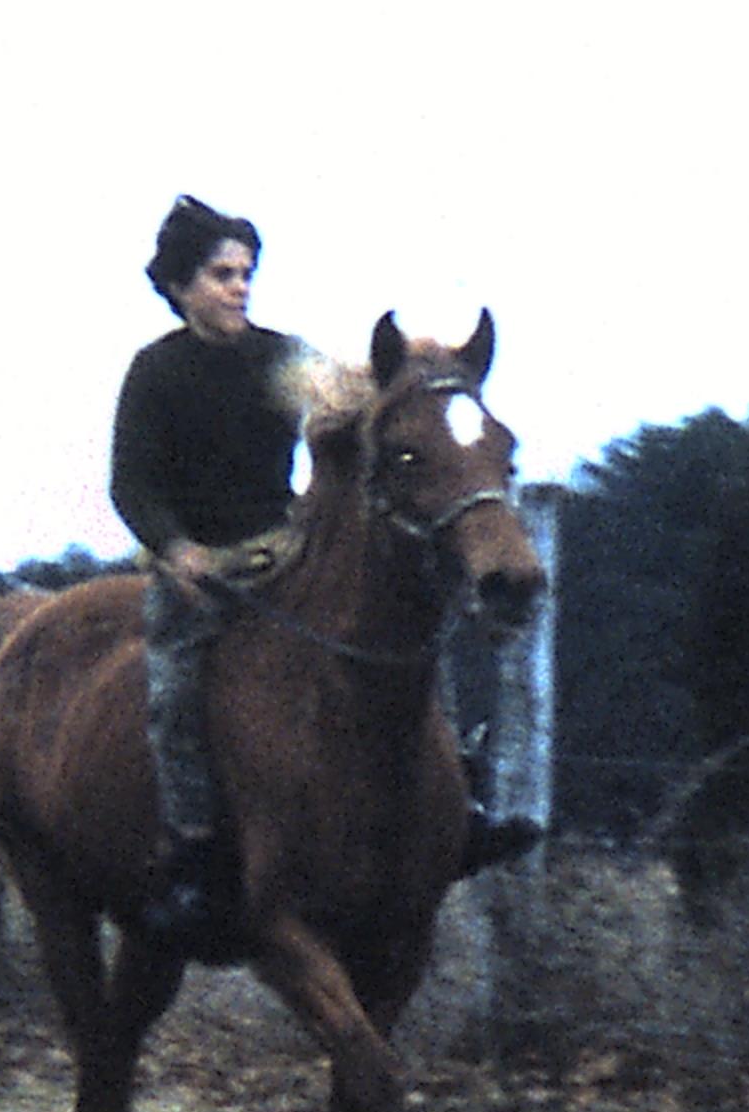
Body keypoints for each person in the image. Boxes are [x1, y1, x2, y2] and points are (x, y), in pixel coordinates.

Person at [111, 195, 538, 954]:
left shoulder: (278, 357)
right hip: (195, 571)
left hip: (283, 548)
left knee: (393, 636)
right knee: (173, 690)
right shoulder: (157, 372)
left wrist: (426, 360)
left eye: (246, 273)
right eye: (221, 274)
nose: (239, 287)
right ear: (181, 285)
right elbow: (132, 485)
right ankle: (194, 849)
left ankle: (459, 809)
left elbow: (357, 387)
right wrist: (175, 550)